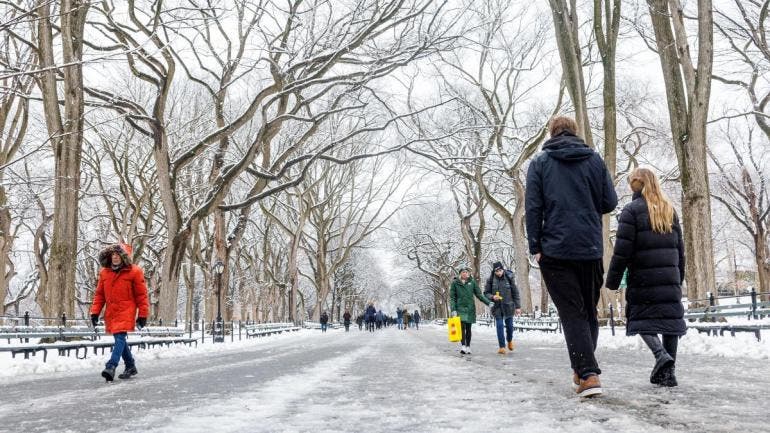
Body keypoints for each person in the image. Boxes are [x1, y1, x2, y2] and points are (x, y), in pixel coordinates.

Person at [525, 116, 617, 398]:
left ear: (551, 134)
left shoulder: (540, 163)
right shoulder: (594, 160)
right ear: (575, 132)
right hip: (589, 247)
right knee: (587, 311)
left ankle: (588, 374)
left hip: (555, 249)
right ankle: (582, 368)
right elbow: (610, 202)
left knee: (571, 312)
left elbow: (533, 207)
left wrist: (535, 246)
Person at [605, 167, 685, 387]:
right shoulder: (670, 210)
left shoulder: (631, 211)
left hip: (644, 277)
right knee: (670, 323)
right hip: (669, 277)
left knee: (640, 319)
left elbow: (622, 251)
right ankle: (669, 373)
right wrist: (680, 276)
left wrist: (612, 280)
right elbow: (680, 249)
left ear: (634, 185)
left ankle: (661, 356)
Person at [90, 243, 149, 382]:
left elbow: (142, 295)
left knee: (120, 337)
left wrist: (143, 314)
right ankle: (130, 366)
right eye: (113, 255)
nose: (115, 257)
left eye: (118, 255)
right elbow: (100, 295)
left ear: (124, 257)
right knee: (119, 339)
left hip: (126, 309)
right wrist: (95, 312)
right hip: (111, 311)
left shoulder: (135, 271)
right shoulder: (104, 272)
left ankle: (111, 366)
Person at [449, 267, 494, 355]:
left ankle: (468, 346)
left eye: (466, 272)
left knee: (468, 328)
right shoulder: (455, 283)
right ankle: (463, 346)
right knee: (462, 327)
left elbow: (479, 295)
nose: (465, 274)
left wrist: (488, 303)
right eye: (463, 272)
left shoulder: (472, 282)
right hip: (460, 308)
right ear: (460, 274)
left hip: (470, 308)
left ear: (468, 273)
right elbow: (452, 298)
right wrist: (453, 309)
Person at [484, 262, 522, 354]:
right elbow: (486, 293)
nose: (499, 272)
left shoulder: (509, 277)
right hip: (497, 307)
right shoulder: (490, 280)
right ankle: (502, 347)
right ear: (494, 271)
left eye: (500, 270)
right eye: (497, 271)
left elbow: (515, 293)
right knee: (499, 326)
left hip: (508, 306)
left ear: (503, 269)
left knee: (510, 327)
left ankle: (509, 341)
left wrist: (518, 307)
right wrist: (492, 297)